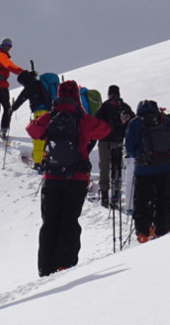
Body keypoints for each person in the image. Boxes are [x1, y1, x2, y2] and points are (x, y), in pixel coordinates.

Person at [25, 80, 111, 276]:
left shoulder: (50, 117)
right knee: (69, 222)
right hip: (76, 178)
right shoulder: (82, 118)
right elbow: (104, 130)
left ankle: (46, 268)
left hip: (52, 178)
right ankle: (65, 264)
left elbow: (32, 130)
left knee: (49, 223)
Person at [124, 99, 170, 243]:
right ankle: (162, 229)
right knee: (163, 199)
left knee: (142, 201)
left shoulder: (135, 123)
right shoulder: (165, 121)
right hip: (165, 167)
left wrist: (140, 156)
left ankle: (143, 232)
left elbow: (129, 147)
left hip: (143, 170)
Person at [94, 85, 134, 209]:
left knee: (104, 167)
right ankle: (116, 194)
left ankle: (105, 195)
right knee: (117, 167)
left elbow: (96, 121)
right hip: (118, 141)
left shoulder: (104, 106)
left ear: (109, 94)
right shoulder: (125, 107)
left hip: (104, 141)